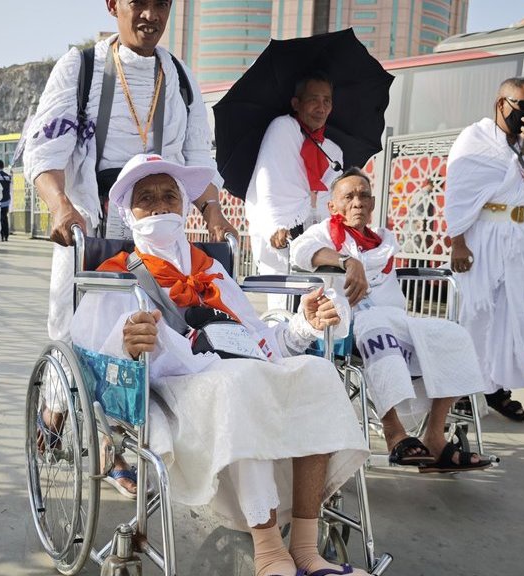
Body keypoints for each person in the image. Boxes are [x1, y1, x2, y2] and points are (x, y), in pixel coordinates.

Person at [67, 154, 370, 576]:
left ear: (184, 206)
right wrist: (127, 344)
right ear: (126, 212)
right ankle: (268, 553)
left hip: (236, 369)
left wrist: (304, 325)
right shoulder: (115, 275)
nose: (158, 207)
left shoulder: (213, 272)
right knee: (238, 383)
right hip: (174, 389)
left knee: (317, 373)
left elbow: (260, 340)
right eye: (146, 199)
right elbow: (91, 360)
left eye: (169, 196)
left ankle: (305, 549)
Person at [21, 0, 237, 344]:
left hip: (161, 233)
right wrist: (60, 205)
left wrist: (214, 212)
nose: (151, 15)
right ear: (112, 5)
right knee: (76, 331)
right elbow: (45, 152)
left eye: (162, 5)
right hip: (91, 229)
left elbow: (197, 157)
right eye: (139, 3)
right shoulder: (81, 67)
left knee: (165, 333)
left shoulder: (180, 76)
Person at [292, 168, 492, 472]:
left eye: (364, 196)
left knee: (452, 334)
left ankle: (435, 436)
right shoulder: (322, 233)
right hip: (347, 322)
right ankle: (394, 432)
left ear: (373, 205)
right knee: (376, 328)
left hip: (395, 317)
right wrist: (348, 261)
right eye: (348, 197)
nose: (357, 202)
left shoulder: (384, 240)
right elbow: (300, 252)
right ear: (332, 206)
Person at [444, 77, 524, 422]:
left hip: (518, 237)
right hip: (483, 237)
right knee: (478, 315)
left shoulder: (523, 145)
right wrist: (458, 242)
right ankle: (463, 390)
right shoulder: (473, 139)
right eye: (523, 105)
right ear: (500, 103)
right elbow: (458, 192)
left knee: (517, 316)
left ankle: (495, 388)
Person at [244, 71, 344, 309]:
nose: (321, 107)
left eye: (327, 100)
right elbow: (269, 183)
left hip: (317, 235)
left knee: (321, 309)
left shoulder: (332, 150)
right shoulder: (283, 128)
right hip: (283, 231)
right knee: (283, 310)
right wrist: (274, 226)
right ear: (296, 103)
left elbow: (333, 200)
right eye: (313, 99)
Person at [0, 159, 12, 242]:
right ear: (3, 166)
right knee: (4, 217)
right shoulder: (7, 176)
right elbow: (10, 189)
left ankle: (0, 235)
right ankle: (6, 235)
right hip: (6, 200)